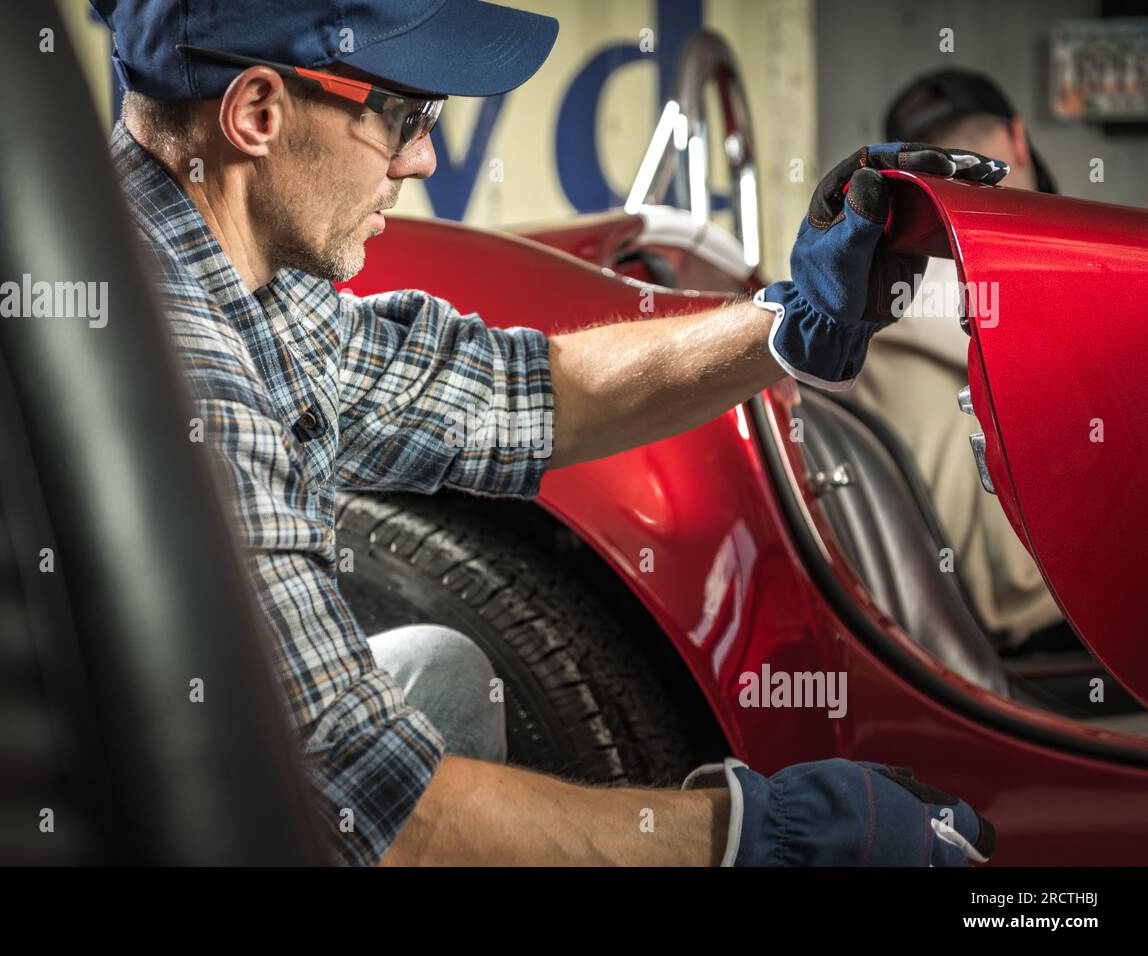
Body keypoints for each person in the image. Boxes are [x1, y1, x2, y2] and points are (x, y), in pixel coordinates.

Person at [92, 0, 998, 866]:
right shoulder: (175, 366)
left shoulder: (225, 270)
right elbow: (380, 822)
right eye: (404, 114)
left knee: (434, 669)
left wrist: (795, 322)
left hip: (148, 762)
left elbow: (515, 392)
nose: (423, 160)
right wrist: (762, 839)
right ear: (256, 111)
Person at [851, 70, 1065, 650]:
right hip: (1056, 614)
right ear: (1019, 142)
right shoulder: (1059, 275)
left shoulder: (864, 303)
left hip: (951, 635)